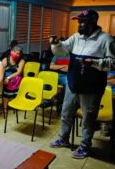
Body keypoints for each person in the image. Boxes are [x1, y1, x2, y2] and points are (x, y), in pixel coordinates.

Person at [49, 9, 115, 159]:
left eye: (83, 22)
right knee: (66, 114)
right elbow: (62, 50)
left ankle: (85, 146)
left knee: (88, 120)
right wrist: (56, 43)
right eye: (79, 22)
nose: (79, 25)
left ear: (93, 22)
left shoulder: (106, 39)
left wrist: (94, 63)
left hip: (91, 89)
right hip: (73, 85)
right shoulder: (76, 37)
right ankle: (63, 139)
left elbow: (113, 63)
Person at [2, 46, 25, 116]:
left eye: (18, 53)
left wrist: (8, 78)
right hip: (6, 77)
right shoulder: (5, 60)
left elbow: (19, 72)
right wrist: (3, 78)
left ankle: (15, 103)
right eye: (15, 52)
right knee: (5, 85)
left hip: (16, 78)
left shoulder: (21, 60)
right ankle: (5, 108)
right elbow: (1, 70)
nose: (16, 54)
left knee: (11, 82)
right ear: (11, 52)